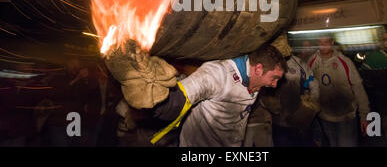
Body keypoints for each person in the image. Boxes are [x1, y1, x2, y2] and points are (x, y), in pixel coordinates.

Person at [118, 44, 287, 147]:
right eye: (274, 78)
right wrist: (153, 99)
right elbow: (178, 101)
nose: (274, 85)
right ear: (257, 68)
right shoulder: (217, 74)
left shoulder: (254, 81)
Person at [308, 35, 370, 147]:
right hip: (324, 116)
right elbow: (309, 86)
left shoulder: (345, 62)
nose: (323, 45)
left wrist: (364, 115)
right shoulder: (312, 61)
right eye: (320, 42)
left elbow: (358, 88)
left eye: (326, 42)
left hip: (346, 117)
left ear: (332, 42)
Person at [271, 40, 320, 147]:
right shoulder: (269, 64)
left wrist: (310, 104)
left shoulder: (299, 64)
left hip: (300, 118)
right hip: (279, 120)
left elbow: (314, 84)